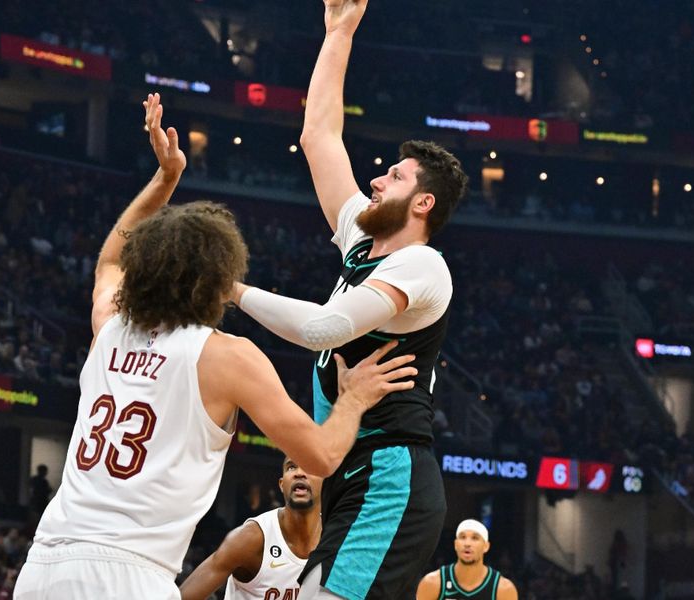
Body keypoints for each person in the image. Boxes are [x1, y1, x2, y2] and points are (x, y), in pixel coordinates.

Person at [12, 93, 418, 600]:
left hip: (45, 564)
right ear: (220, 278)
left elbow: (110, 259)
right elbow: (320, 456)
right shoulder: (227, 355)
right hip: (130, 574)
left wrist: (164, 180)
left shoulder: (110, 326)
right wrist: (354, 398)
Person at [230, 1, 469, 598]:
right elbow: (318, 135)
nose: (377, 179)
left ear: (423, 205)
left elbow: (325, 329)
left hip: (389, 476)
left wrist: (231, 291)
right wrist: (339, 33)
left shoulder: (422, 265)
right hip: (350, 475)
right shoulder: (364, 240)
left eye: (394, 176)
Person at [180, 456, 322, 600]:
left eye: (309, 467)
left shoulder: (338, 539)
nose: (299, 473)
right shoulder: (251, 538)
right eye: (291, 467)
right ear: (281, 485)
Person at [416, 520, 518, 600]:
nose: (467, 543)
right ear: (456, 544)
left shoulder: (503, 589)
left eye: (475, 538)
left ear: (486, 546)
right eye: (463, 537)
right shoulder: (432, 583)